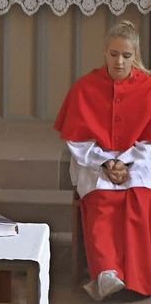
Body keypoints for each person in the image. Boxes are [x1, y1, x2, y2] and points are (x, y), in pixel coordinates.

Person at [54, 20, 151, 300]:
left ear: (136, 56)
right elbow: (78, 141)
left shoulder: (147, 88)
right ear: (105, 51)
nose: (119, 62)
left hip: (139, 163)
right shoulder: (85, 87)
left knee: (139, 199)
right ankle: (107, 274)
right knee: (101, 200)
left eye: (126, 56)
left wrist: (126, 163)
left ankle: (139, 277)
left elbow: (147, 142)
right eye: (113, 54)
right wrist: (107, 163)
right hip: (94, 162)